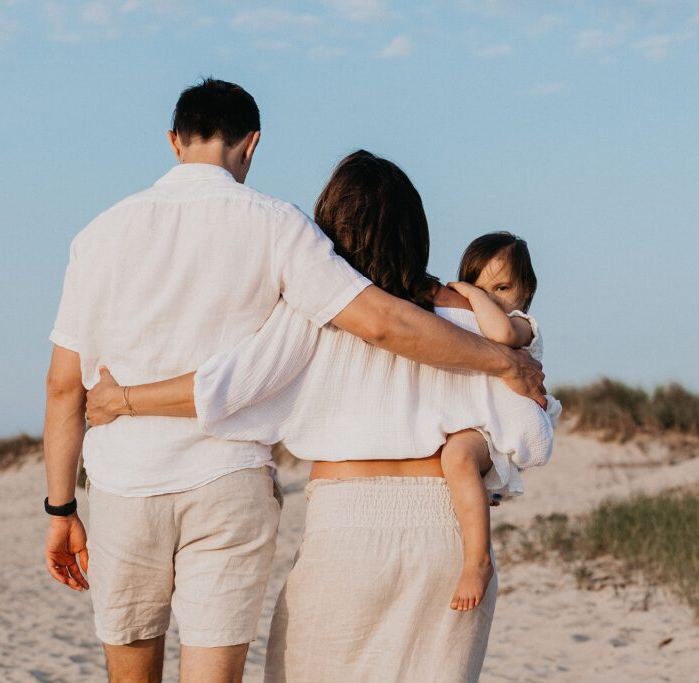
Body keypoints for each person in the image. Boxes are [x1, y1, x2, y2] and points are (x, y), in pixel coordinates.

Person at [43, 80, 546, 682]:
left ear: (173, 141)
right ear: (251, 144)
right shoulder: (481, 322)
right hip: (415, 525)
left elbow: (88, 385)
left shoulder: (103, 236)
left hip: (191, 496)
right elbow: (523, 432)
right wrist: (500, 372)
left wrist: (95, 448)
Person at [441, 232, 562, 611]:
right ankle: (486, 490)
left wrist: (472, 296)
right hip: (480, 422)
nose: (490, 297)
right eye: (480, 287)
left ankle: (478, 562)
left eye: (502, 287)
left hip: (499, 432)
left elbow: (502, 334)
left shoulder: (523, 324)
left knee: (457, 456)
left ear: (525, 291)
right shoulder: (468, 325)